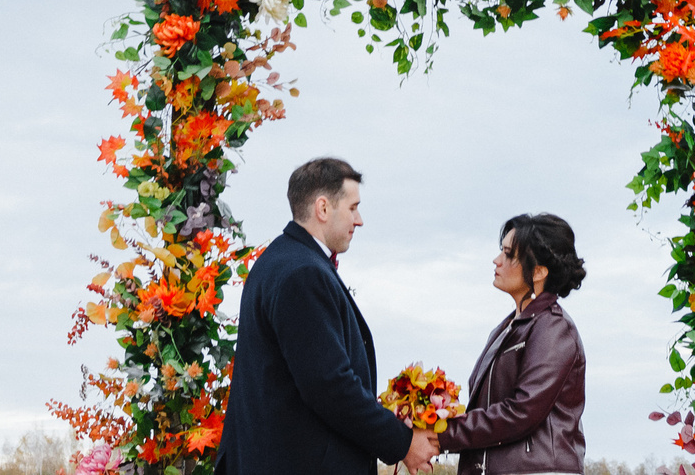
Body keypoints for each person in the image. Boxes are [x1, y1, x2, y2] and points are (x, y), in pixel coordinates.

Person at [222, 157, 430, 475]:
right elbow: (329, 386)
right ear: (323, 208)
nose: (359, 220)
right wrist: (402, 443)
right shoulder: (301, 273)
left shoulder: (280, 260)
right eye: (353, 208)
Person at [431, 213, 587, 475]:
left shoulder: (553, 328)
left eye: (508, 254)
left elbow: (521, 412)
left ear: (539, 272)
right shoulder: (505, 330)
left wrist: (441, 435)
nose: (497, 260)